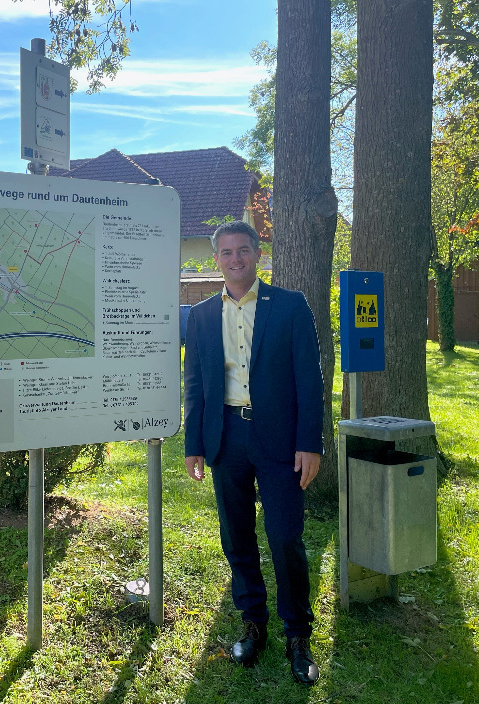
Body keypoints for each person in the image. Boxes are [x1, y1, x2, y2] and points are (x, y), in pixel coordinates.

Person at [183, 221, 323, 686]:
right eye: (226, 252)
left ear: (257, 254)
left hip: (281, 441)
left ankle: (298, 634)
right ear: (216, 259)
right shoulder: (200, 316)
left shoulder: (290, 307)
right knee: (237, 535)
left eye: (243, 250)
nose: (235, 259)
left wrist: (310, 443)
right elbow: (197, 384)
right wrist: (194, 446)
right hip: (226, 438)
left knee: (285, 536)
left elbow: (310, 379)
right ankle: (253, 622)